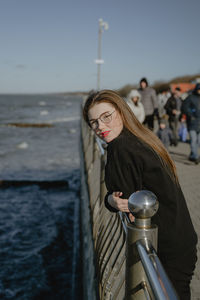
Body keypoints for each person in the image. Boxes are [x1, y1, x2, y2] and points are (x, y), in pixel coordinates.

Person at [83, 89, 197, 300]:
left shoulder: (121, 148)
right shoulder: (140, 137)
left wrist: (110, 200)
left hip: (164, 245)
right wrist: (112, 200)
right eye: (94, 122)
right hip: (181, 237)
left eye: (106, 116)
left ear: (121, 111)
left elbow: (121, 198)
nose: (100, 127)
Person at [181, 83, 200, 164]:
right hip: (192, 123)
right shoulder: (190, 97)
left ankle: (193, 154)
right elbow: (184, 107)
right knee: (193, 140)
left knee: (199, 141)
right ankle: (195, 157)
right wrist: (190, 115)